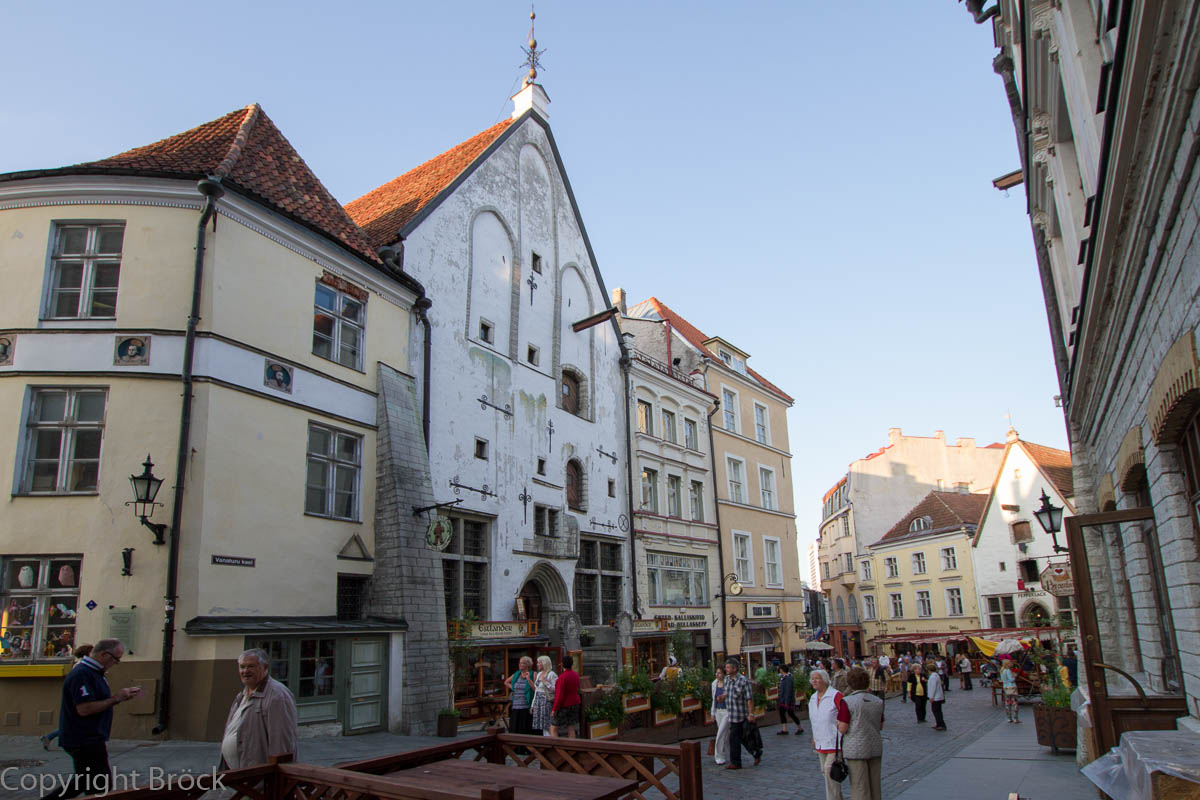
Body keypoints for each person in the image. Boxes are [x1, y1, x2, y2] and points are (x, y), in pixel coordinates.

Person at [40, 639, 141, 800]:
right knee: (97, 785)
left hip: (90, 738)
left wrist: (121, 697)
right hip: (83, 739)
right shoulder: (82, 674)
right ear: (104, 655)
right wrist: (116, 698)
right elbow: (84, 709)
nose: (116, 663)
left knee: (88, 783)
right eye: (116, 659)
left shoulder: (94, 673)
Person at [220, 648, 298, 769]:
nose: (245, 671)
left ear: (265, 667)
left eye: (251, 666)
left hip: (260, 777)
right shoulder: (242, 695)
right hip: (240, 774)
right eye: (242, 667)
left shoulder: (277, 696)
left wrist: (277, 776)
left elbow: (281, 744)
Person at [841, 667, 884, 800]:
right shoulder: (878, 701)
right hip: (875, 746)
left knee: (860, 787)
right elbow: (881, 724)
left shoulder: (847, 702)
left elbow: (843, 727)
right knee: (875, 786)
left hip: (856, 748)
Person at [41, 644, 94, 751]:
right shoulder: (81, 665)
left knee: (75, 723)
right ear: (88, 653)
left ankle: (49, 737)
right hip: (79, 698)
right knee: (74, 723)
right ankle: (50, 737)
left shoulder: (84, 665)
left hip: (81, 696)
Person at [808, 668, 850, 800]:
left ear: (825, 681)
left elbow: (844, 716)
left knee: (830, 772)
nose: (814, 681)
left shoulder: (836, 696)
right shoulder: (813, 697)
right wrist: (814, 736)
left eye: (817, 678)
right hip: (821, 740)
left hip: (834, 741)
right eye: (812, 679)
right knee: (826, 773)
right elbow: (814, 720)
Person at [722, 658, 760, 770]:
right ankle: (756, 753)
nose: (726, 669)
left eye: (728, 667)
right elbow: (726, 693)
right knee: (741, 738)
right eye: (726, 667)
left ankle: (736, 762)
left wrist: (751, 713)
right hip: (731, 715)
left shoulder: (743, 681)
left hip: (741, 714)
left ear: (735, 668)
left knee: (736, 738)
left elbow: (749, 698)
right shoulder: (726, 680)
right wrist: (722, 697)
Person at [550, 654, 581, 738]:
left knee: (553, 728)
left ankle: (557, 748)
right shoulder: (575, 675)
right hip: (574, 703)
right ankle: (572, 748)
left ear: (562, 664)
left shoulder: (562, 678)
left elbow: (559, 695)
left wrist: (554, 709)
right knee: (571, 727)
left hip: (564, 705)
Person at [504, 656, 536, 735]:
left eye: (523, 663)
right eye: (520, 663)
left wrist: (528, 679)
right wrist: (514, 688)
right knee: (515, 729)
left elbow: (536, 689)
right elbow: (506, 682)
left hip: (526, 706)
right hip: (516, 706)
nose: (520, 665)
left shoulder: (533, 674)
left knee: (525, 729)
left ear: (528, 665)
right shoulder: (516, 674)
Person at [531, 655, 557, 736]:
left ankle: (551, 741)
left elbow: (556, 689)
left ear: (544, 663)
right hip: (539, 701)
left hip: (547, 701)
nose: (537, 664)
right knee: (542, 724)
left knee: (547, 723)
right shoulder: (539, 674)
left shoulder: (552, 674)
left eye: (539, 662)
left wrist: (546, 682)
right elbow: (536, 690)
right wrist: (533, 704)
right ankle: (546, 740)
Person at [776, 663, 804, 735]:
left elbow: (788, 690)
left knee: (791, 713)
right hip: (783, 699)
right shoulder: (783, 677)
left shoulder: (788, 678)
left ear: (782, 670)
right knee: (782, 713)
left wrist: (786, 701)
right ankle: (784, 729)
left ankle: (799, 727)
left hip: (787, 700)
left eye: (780, 669)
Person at [711, 669, 731, 764]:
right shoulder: (714, 683)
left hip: (727, 711)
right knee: (726, 735)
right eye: (716, 672)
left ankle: (719, 756)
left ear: (723, 674)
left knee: (720, 733)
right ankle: (731, 754)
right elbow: (713, 699)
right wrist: (712, 713)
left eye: (719, 672)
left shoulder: (728, 682)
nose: (717, 674)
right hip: (718, 711)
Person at [1000, 658, 1020, 723]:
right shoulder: (1008, 670)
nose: (1011, 664)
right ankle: (1015, 718)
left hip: (1005, 687)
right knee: (1015, 702)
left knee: (1007, 703)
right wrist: (1014, 677)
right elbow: (1011, 679)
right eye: (1010, 663)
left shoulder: (1002, 670)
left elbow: (1003, 680)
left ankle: (1009, 718)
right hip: (1011, 687)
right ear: (1007, 664)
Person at [927, 663, 947, 731]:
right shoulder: (936, 675)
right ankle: (939, 724)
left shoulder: (933, 677)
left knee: (936, 711)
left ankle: (940, 724)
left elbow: (933, 687)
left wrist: (931, 697)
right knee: (938, 711)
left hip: (935, 697)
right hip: (938, 696)